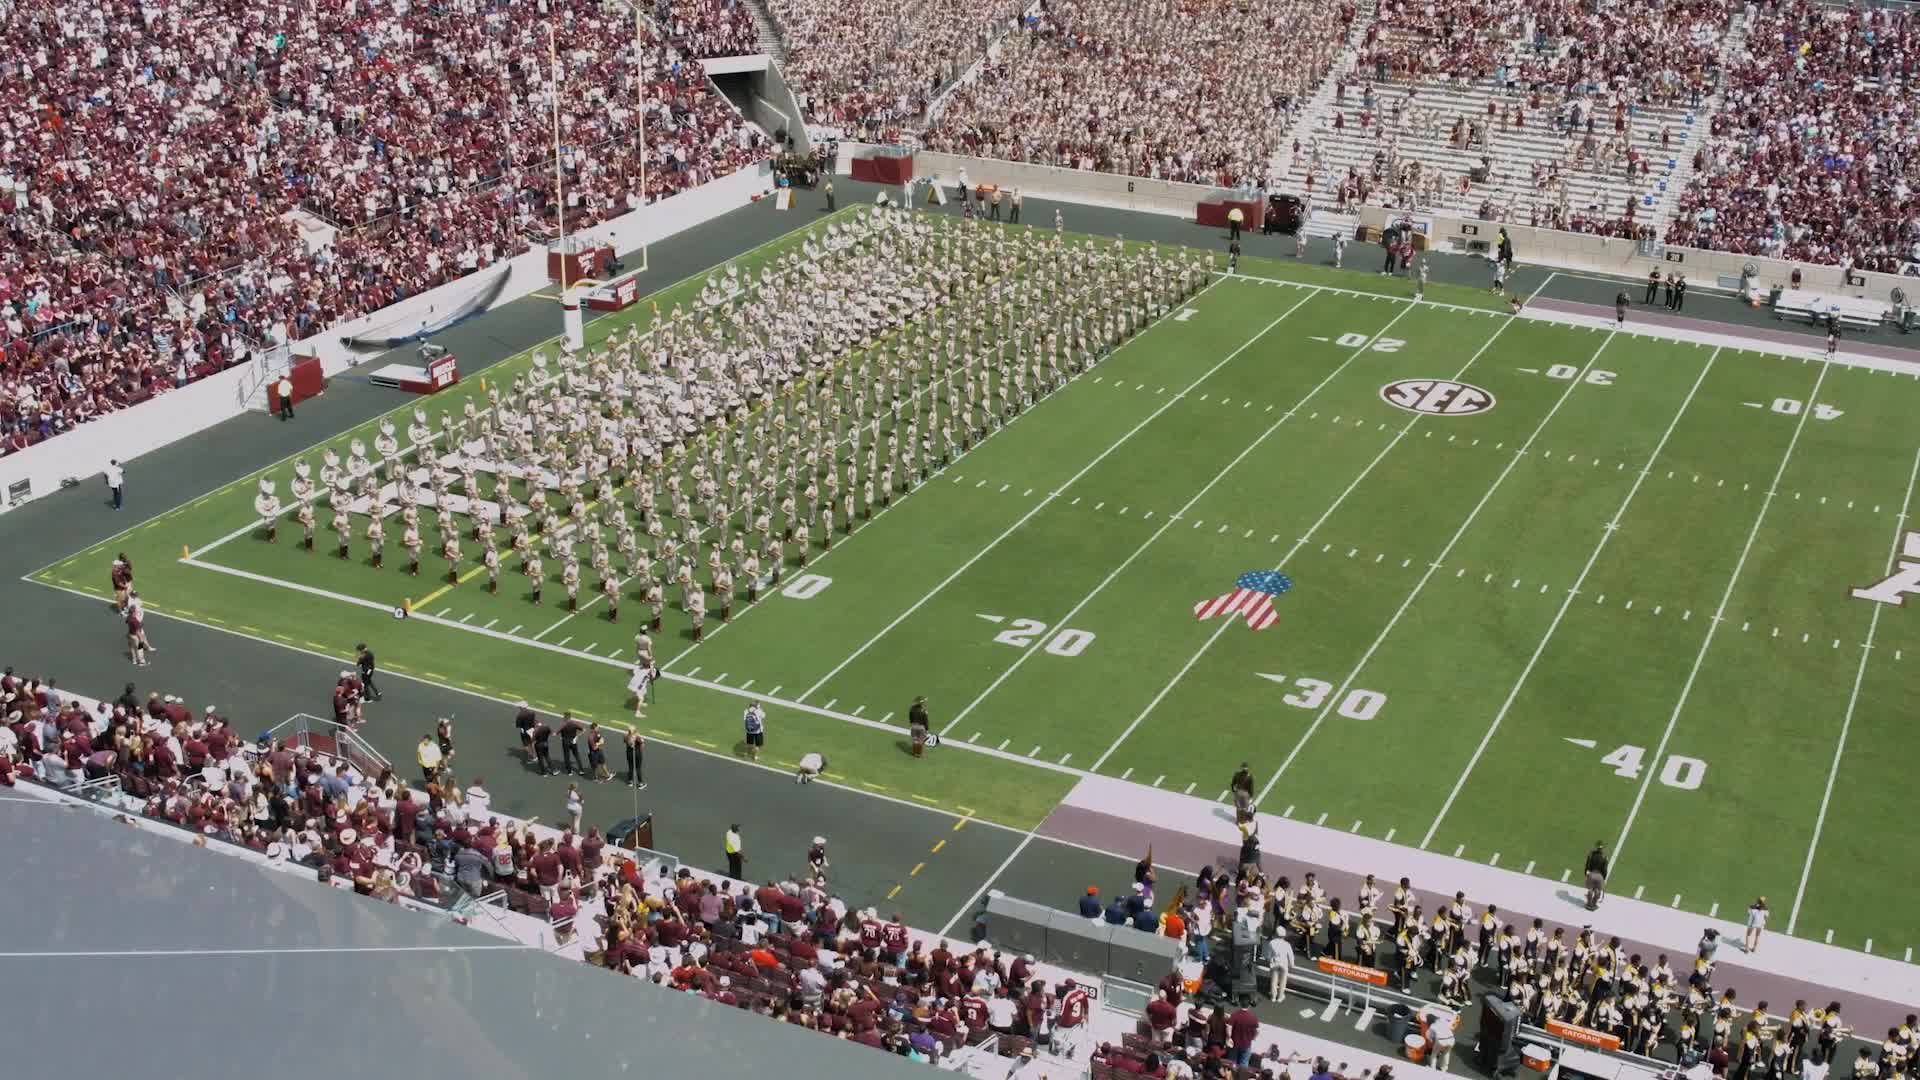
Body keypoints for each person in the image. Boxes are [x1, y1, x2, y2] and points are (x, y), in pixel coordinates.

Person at [1585, 841, 1609, 909]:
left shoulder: (1591, 854)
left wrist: (1586, 873)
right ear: (1602, 848)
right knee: (1597, 890)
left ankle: (1588, 904)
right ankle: (1594, 904)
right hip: (1599, 875)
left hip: (1591, 874)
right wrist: (1603, 878)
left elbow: (1587, 865)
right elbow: (1604, 869)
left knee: (1590, 889)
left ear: (1596, 847)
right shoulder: (1605, 857)